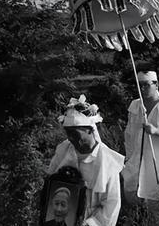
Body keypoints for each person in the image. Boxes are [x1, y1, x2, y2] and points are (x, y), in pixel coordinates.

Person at [47, 96, 124, 226]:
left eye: (76, 134)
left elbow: (111, 204)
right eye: (68, 133)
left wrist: (90, 223)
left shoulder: (106, 160)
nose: (71, 138)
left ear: (89, 130)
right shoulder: (63, 151)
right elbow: (50, 183)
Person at [121, 70, 159, 214]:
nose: (142, 89)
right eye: (139, 85)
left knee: (155, 202)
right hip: (135, 161)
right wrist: (128, 157)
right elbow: (129, 134)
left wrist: (157, 132)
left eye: (146, 85)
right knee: (132, 200)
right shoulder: (135, 106)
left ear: (156, 85)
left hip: (158, 164)